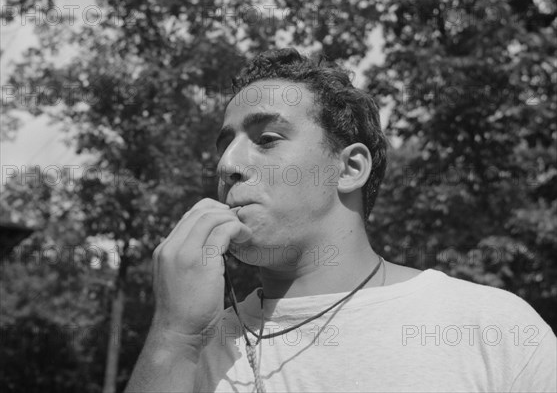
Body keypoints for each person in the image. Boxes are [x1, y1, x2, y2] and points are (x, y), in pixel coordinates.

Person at [125, 48, 556, 393]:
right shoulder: (191, 350)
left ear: (350, 168)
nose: (227, 164)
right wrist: (174, 333)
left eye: (267, 139)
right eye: (225, 145)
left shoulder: (488, 327)